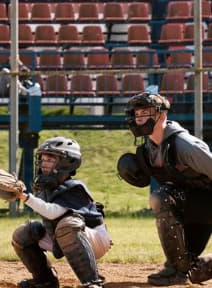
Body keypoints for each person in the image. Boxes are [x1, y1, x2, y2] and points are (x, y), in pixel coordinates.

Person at [117, 91, 212, 286]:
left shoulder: (185, 145)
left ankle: (174, 270)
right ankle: (182, 268)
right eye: (137, 114)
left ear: (161, 115)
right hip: (194, 206)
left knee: (162, 198)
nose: (139, 118)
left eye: (145, 113)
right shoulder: (148, 149)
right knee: (195, 272)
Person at [12, 136, 112, 288]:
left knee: (67, 224)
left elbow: (53, 213)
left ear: (67, 163)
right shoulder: (45, 187)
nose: (44, 164)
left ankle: (92, 282)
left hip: (93, 239)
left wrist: (25, 197)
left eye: (50, 159)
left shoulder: (74, 188)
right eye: (43, 159)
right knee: (24, 233)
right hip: (63, 236)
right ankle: (45, 280)